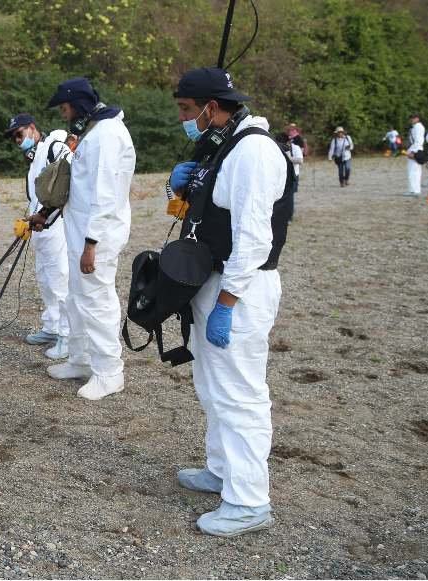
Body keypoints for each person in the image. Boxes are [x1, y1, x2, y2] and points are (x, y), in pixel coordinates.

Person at [167, 66, 290, 537]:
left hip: (240, 288)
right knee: (212, 384)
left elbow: (255, 237)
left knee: (240, 394)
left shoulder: (254, 151)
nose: (183, 119)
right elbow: (206, 204)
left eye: (185, 110)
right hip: (212, 280)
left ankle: (249, 500)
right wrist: (178, 185)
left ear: (211, 108)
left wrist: (228, 300)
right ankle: (221, 470)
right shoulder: (224, 145)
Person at [28, 79, 135, 401]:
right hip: (81, 237)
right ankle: (81, 360)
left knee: (98, 303)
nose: (64, 116)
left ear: (79, 105)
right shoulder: (96, 133)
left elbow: (104, 196)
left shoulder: (105, 137)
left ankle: (109, 372)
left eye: (64, 109)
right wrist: (46, 213)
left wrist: (91, 246)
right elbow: (80, 187)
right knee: (77, 299)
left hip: (95, 241)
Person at [4, 113, 71, 359]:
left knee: (60, 281)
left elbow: (66, 187)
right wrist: (33, 217)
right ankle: (52, 327)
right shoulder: (34, 158)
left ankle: (67, 335)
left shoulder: (56, 148)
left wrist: (46, 216)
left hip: (57, 228)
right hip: (40, 229)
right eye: (14, 138)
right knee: (45, 280)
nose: (17, 140)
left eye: (19, 134)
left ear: (32, 128)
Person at [276, 134, 302, 220]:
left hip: (293, 174)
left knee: (290, 195)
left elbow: (300, 160)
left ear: (288, 142)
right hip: (281, 174)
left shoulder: (296, 148)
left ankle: (290, 214)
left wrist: (287, 158)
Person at [406, 114, 425, 197]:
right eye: (411, 118)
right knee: (414, 171)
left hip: (415, 149)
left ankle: (414, 190)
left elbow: (418, 141)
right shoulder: (414, 127)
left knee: (413, 171)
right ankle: (414, 189)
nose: (412, 119)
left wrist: (413, 152)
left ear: (418, 119)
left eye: (414, 118)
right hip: (415, 148)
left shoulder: (418, 127)